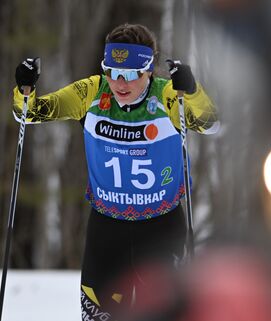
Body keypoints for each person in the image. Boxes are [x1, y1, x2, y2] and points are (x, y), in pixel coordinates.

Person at [12, 23, 219, 320]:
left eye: (132, 74)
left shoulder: (168, 96)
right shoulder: (91, 92)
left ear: (149, 70)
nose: (120, 82)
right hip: (107, 230)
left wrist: (193, 91)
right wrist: (24, 89)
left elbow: (210, 123)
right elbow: (28, 113)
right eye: (112, 72)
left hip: (160, 229)